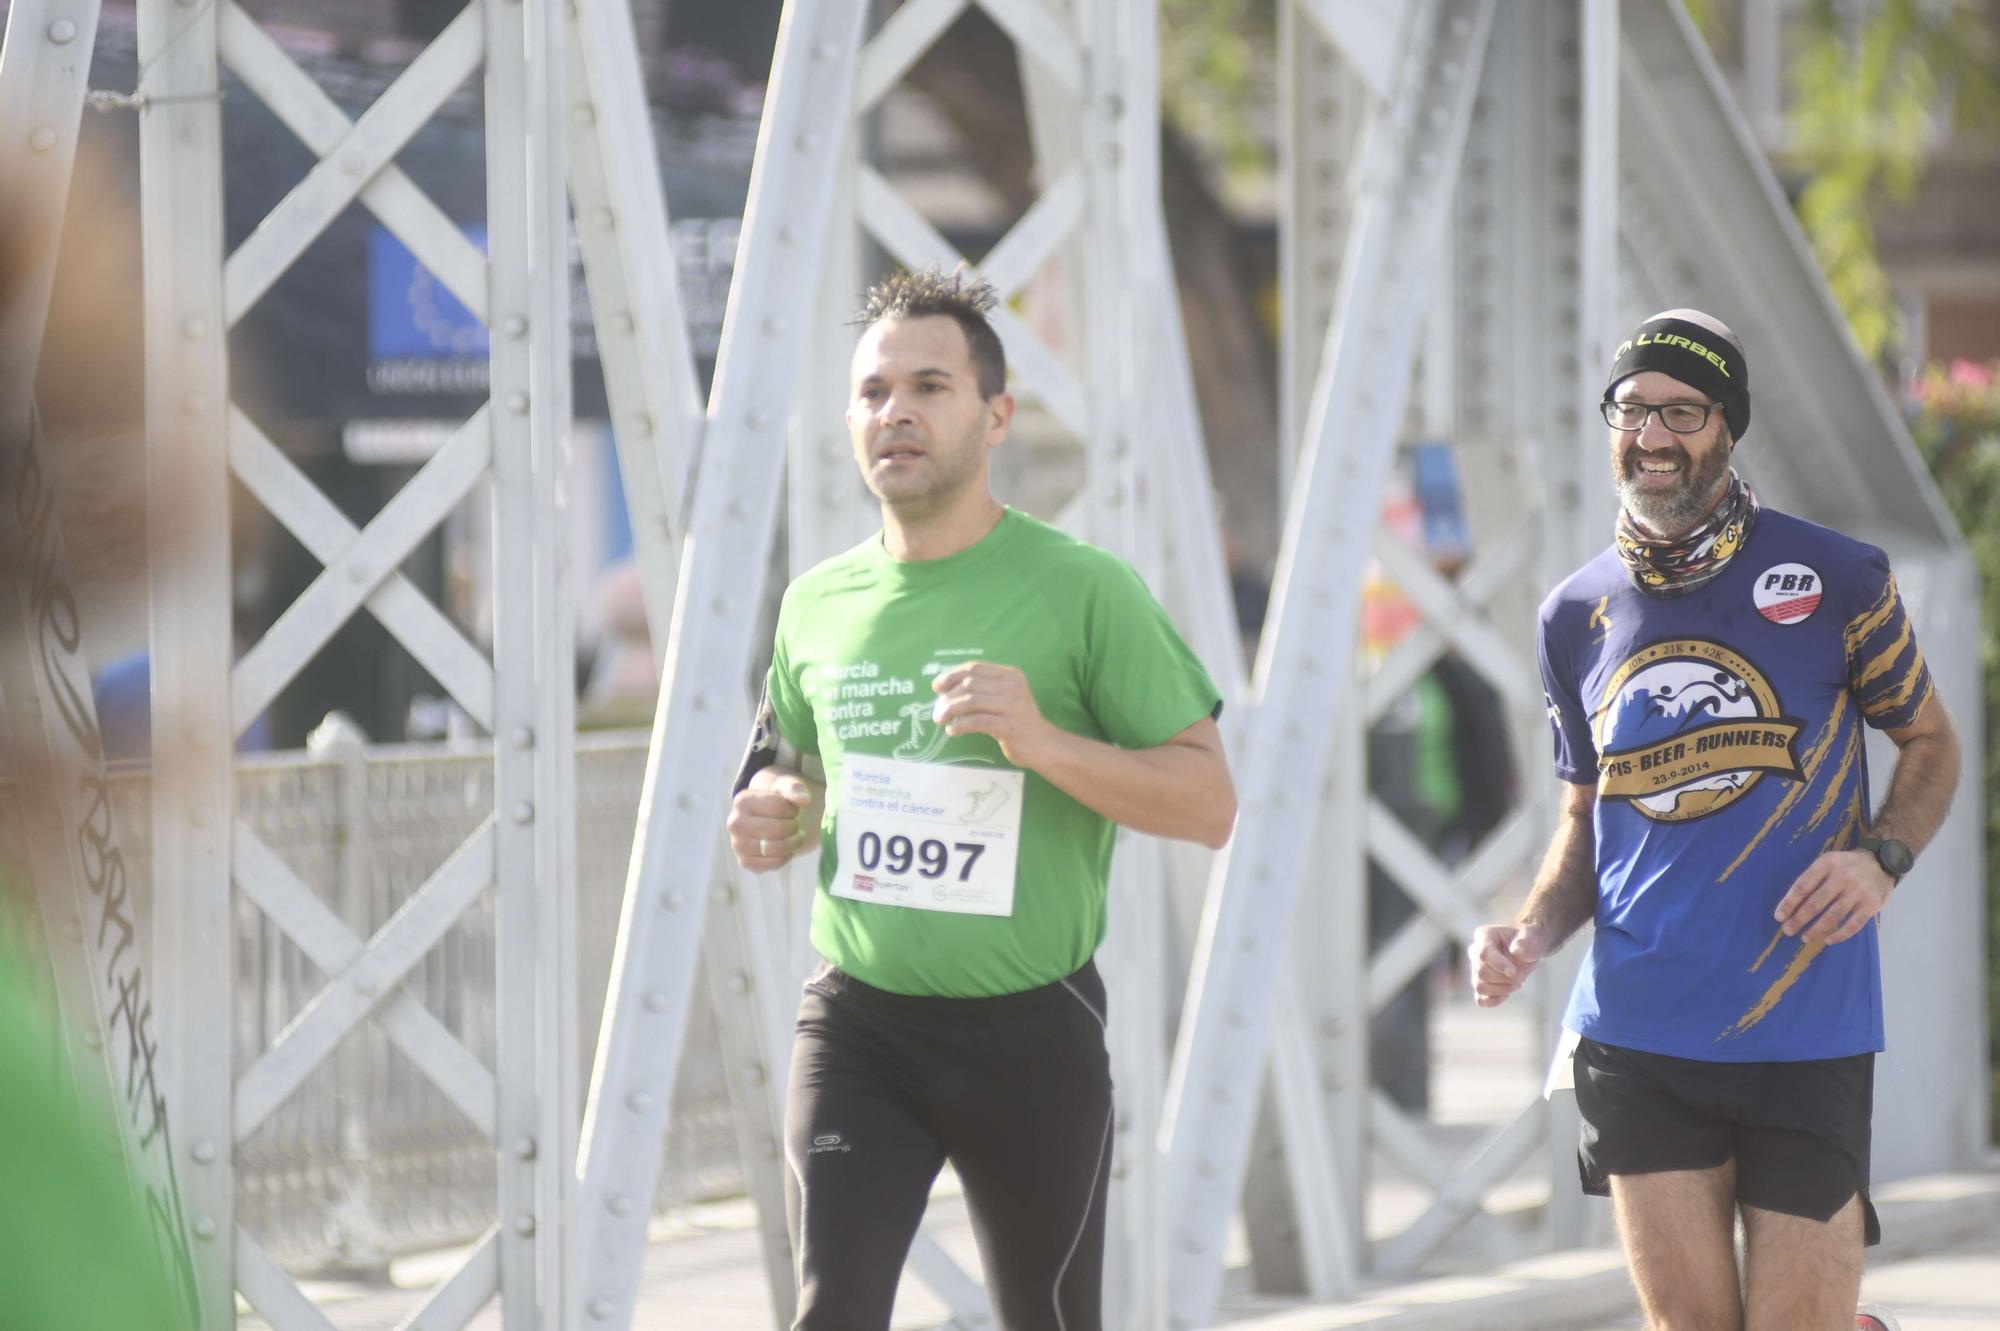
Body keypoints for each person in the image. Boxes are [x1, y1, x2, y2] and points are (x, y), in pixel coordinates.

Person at [726, 267, 1235, 1331]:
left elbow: (1207, 803)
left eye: (929, 386)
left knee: (1045, 1319)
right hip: (858, 1019)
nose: (895, 411)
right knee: (829, 1312)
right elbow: (787, 769)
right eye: (871, 392)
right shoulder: (815, 602)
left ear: (994, 415)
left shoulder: (1081, 588)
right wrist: (771, 806)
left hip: (1029, 1026)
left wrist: (1042, 741)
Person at [1469, 310, 1960, 1331]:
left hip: (1803, 1023)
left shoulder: (1836, 579)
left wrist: (1879, 859)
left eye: (1680, 410)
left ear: (1726, 426)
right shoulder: (1573, 613)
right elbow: (1583, 812)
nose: (1650, 434)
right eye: (1631, 407)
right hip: (1636, 1029)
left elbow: (1929, 744)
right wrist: (1528, 930)